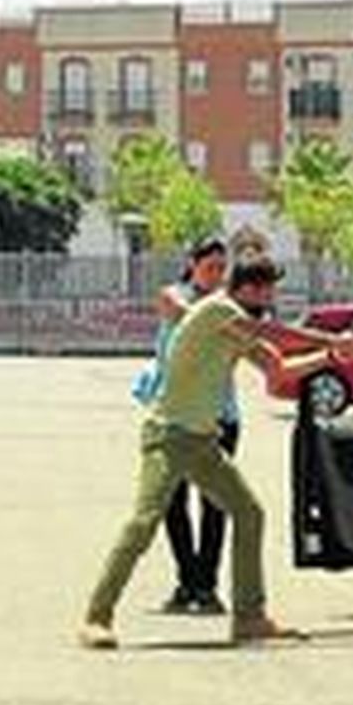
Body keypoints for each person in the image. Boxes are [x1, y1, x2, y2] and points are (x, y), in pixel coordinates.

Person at [79, 255, 353, 650]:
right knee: (144, 522)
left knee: (249, 513)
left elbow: (277, 370)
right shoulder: (217, 308)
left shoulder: (233, 326)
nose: (271, 299)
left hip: (202, 442)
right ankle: (97, 616)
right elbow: (270, 331)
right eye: (268, 291)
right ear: (250, 289)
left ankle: (249, 617)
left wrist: (332, 358)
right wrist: (332, 340)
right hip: (168, 435)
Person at [132, 237, 241, 616]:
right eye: (209, 267)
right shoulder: (173, 296)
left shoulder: (230, 307)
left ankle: (206, 586)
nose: (216, 275)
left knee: (216, 503)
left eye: (221, 269)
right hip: (174, 416)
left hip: (219, 415)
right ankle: (188, 579)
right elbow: (186, 317)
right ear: (191, 265)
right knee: (171, 502)